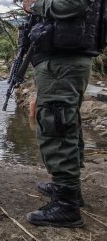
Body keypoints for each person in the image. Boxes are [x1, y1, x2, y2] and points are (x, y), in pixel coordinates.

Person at [22, 0, 104, 227]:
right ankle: (68, 188)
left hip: (63, 61)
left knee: (55, 124)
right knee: (64, 122)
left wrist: (35, 5)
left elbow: (72, 4)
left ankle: (66, 206)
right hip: (64, 60)